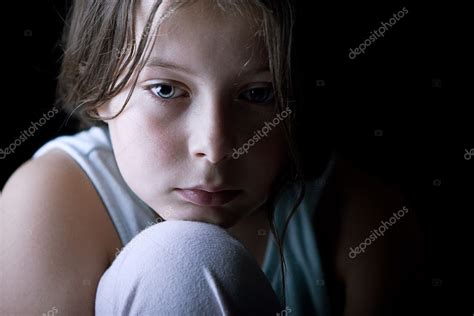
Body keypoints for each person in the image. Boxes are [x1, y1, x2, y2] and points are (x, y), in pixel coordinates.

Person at [0, 0, 424, 315]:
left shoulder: (358, 218)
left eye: (258, 94)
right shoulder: (50, 201)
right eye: (166, 89)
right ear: (102, 88)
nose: (216, 147)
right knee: (177, 261)